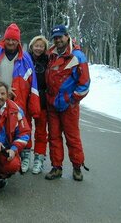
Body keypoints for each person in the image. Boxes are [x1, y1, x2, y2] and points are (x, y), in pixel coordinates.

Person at [0, 22, 40, 173]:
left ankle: (18, 156)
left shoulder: (26, 58)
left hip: (18, 100)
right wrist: (5, 88)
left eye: (14, 40)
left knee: (19, 129)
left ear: (18, 41)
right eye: (9, 39)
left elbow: (33, 83)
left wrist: (33, 104)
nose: (11, 42)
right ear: (5, 39)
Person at [45, 25, 90, 181]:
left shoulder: (77, 56)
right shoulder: (51, 54)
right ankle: (56, 167)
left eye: (60, 37)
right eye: (55, 38)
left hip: (69, 106)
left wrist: (72, 100)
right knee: (54, 137)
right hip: (52, 105)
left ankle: (77, 167)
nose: (58, 40)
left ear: (67, 36)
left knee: (72, 137)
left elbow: (84, 85)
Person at [27, 35, 49, 174]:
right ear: (31, 46)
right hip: (28, 99)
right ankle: (25, 157)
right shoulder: (25, 59)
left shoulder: (49, 61)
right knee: (26, 130)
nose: (38, 48)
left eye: (41, 46)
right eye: (36, 45)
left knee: (41, 132)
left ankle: (39, 159)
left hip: (43, 101)